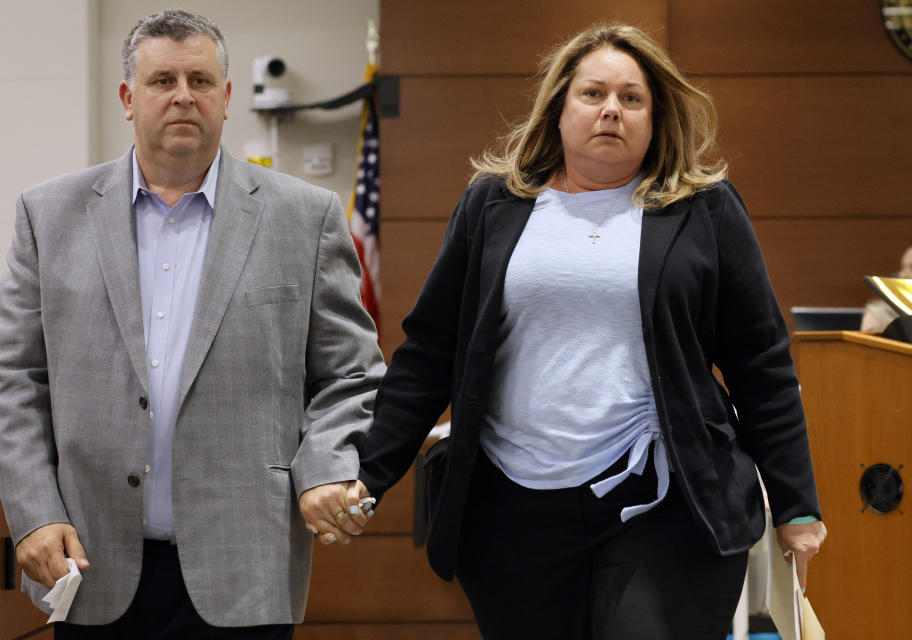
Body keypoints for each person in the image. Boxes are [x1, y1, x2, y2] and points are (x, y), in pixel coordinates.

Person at [354, 23, 826, 640]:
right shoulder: (492, 205)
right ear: (557, 109)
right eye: (592, 94)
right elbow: (432, 352)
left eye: (632, 98)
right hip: (512, 508)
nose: (611, 110)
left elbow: (761, 363)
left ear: (657, 119)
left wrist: (796, 503)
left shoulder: (704, 209)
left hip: (664, 499)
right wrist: (368, 474)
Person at [0, 9, 383, 638]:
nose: (183, 96)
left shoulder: (304, 217)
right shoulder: (48, 215)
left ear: (227, 98)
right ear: (128, 97)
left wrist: (323, 468)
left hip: (246, 563)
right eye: (162, 81)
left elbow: (353, 374)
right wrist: (34, 514)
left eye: (201, 81)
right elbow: (16, 377)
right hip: (88, 560)